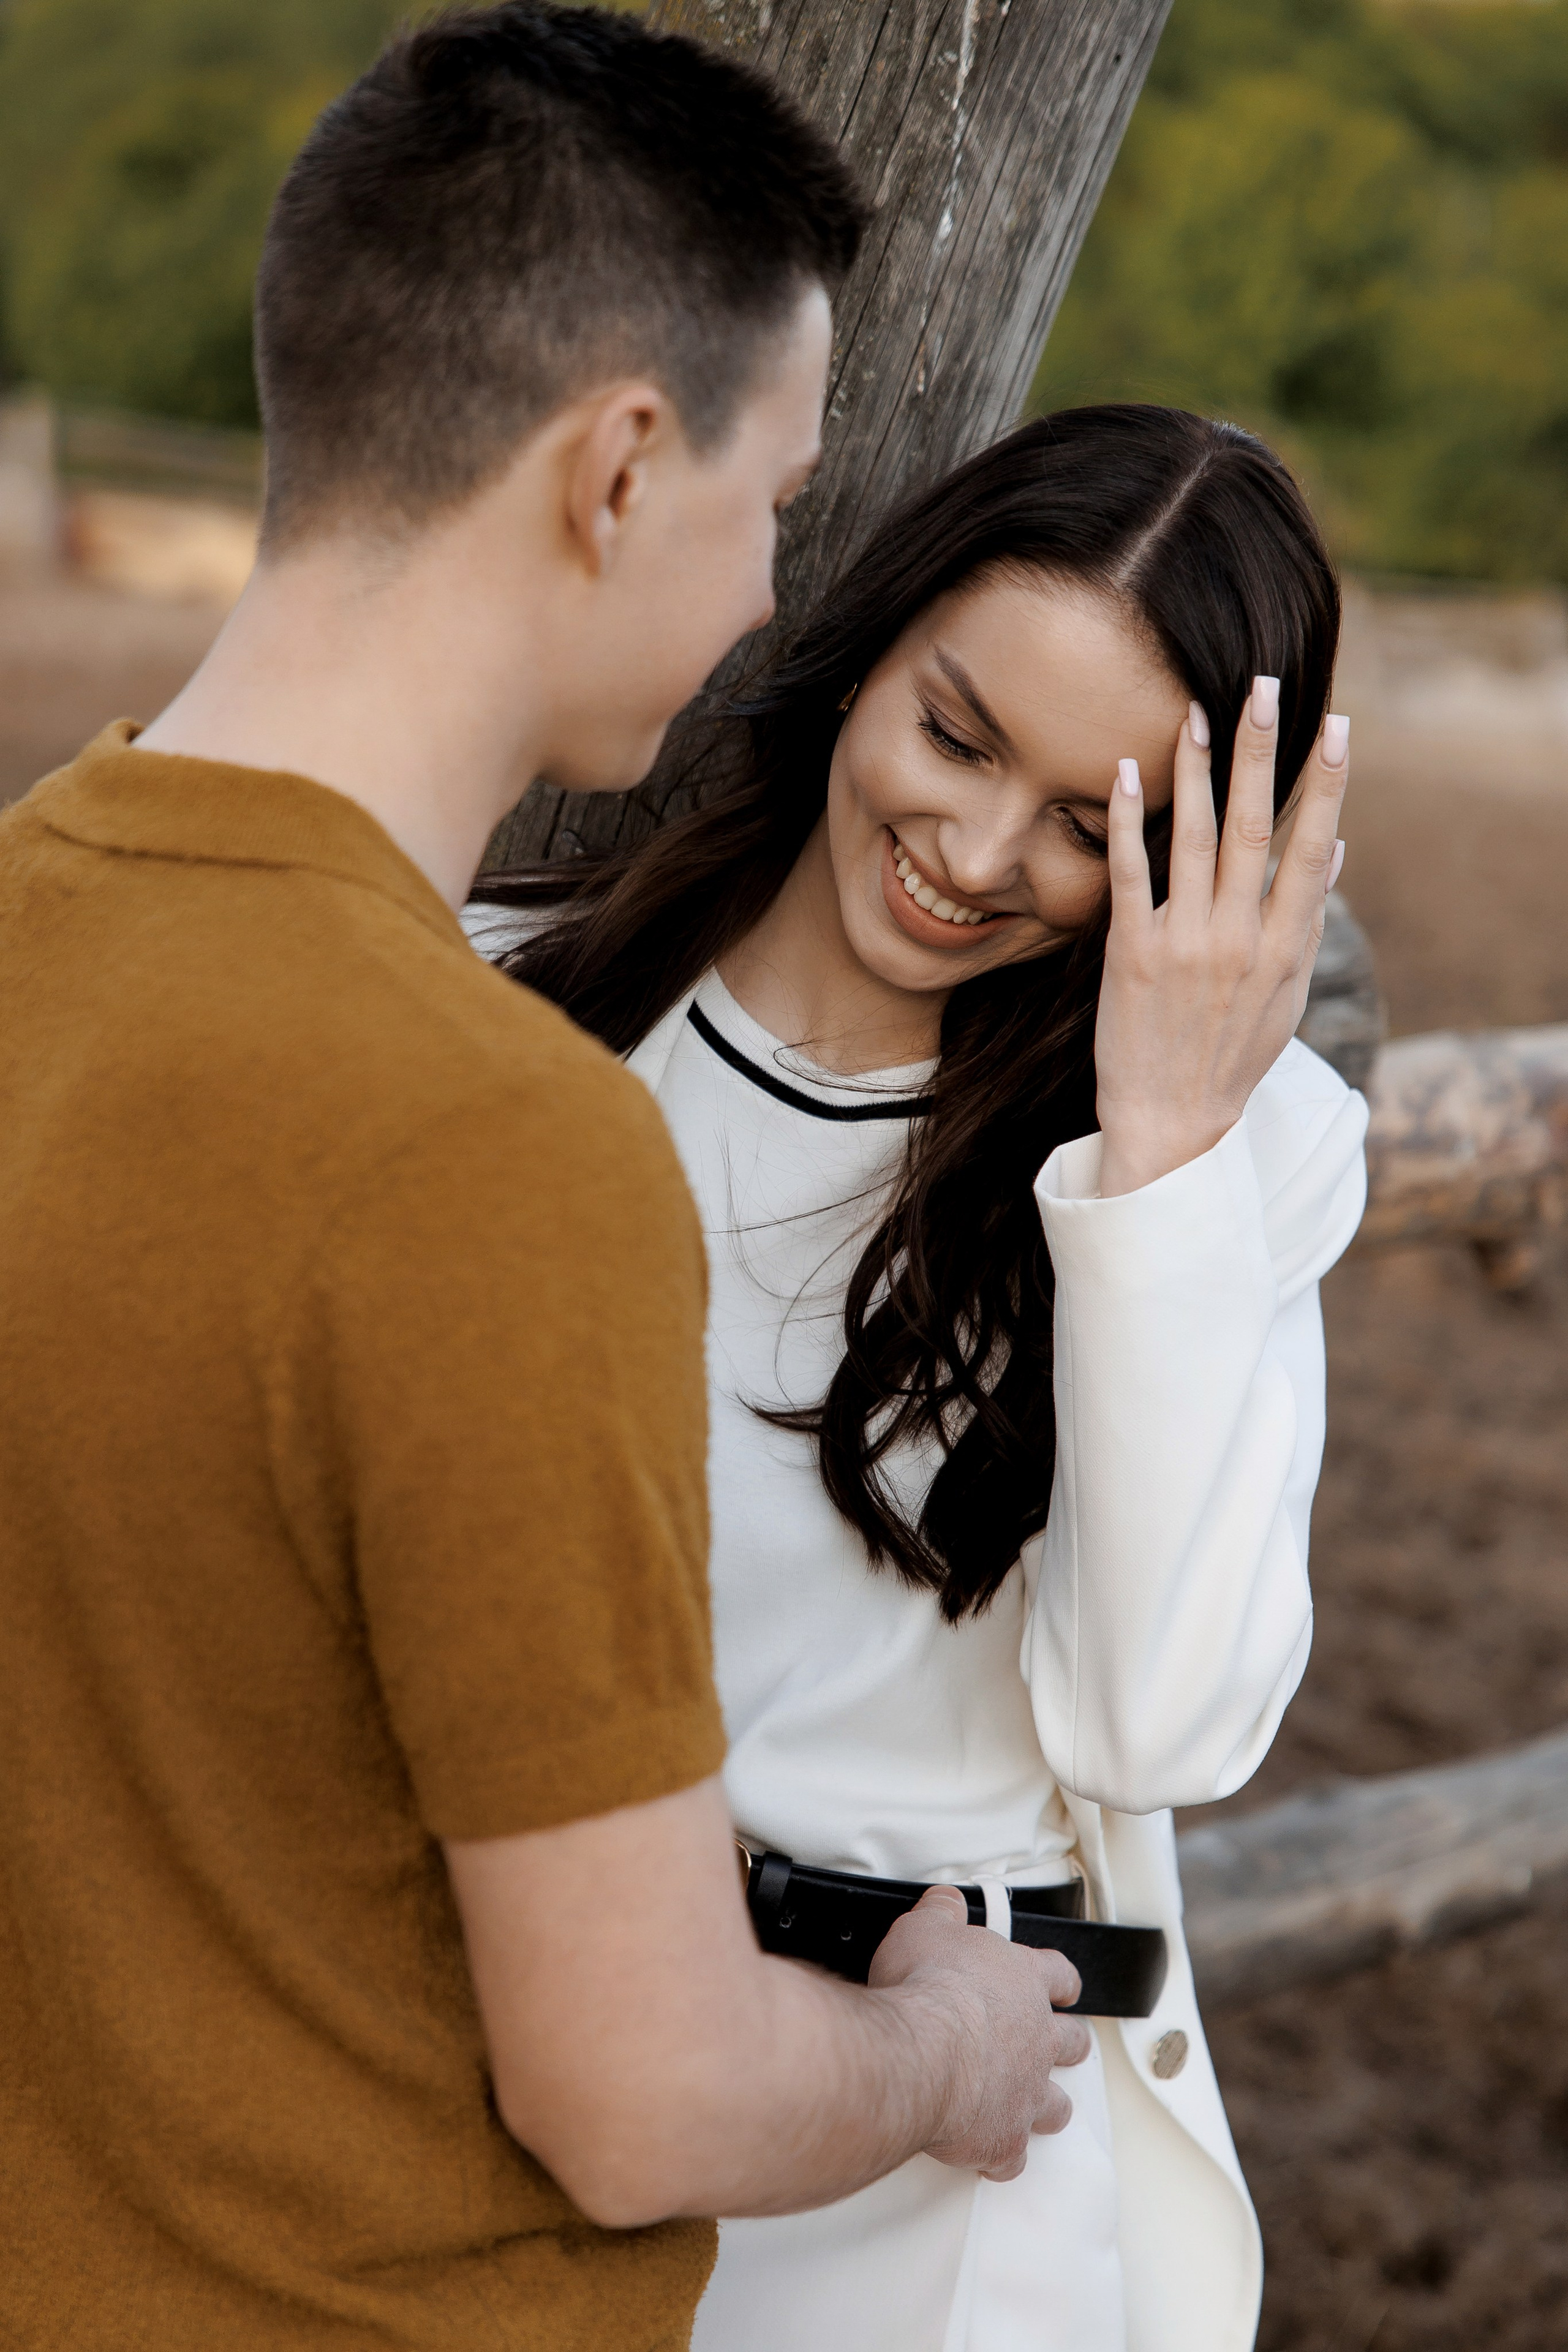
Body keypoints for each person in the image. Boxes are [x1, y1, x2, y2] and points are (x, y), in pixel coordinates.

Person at [0, 12, 1095, 2350]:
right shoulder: (490, 1142)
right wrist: (942, 2052)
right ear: (618, 469)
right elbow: (643, 2091)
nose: (755, 598)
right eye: (777, 504)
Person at [466, 402, 1371, 2352]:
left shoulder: (1220, 1161)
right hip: (494, 2069)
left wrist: (1163, 1151)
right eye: (959, 738)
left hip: (943, 2176)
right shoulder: (492, 1010)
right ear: (870, 640)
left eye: (1088, 826)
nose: (973, 856)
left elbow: (1161, 1729)